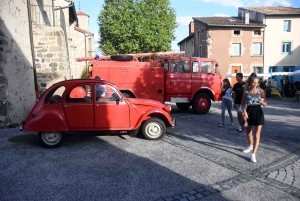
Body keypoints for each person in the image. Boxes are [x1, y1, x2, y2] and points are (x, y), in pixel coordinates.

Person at [241, 73, 267, 163]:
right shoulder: (246, 91)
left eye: (256, 83)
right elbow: (242, 103)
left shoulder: (261, 91)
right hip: (249, 111)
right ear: (250, 82)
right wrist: (244, 112)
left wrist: (262, 102)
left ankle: (253, 154)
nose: (254, 84)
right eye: (253, 82)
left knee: (257, 135)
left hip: (258, 112)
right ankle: (250, 145)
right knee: (248, 132)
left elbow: (265, 103)